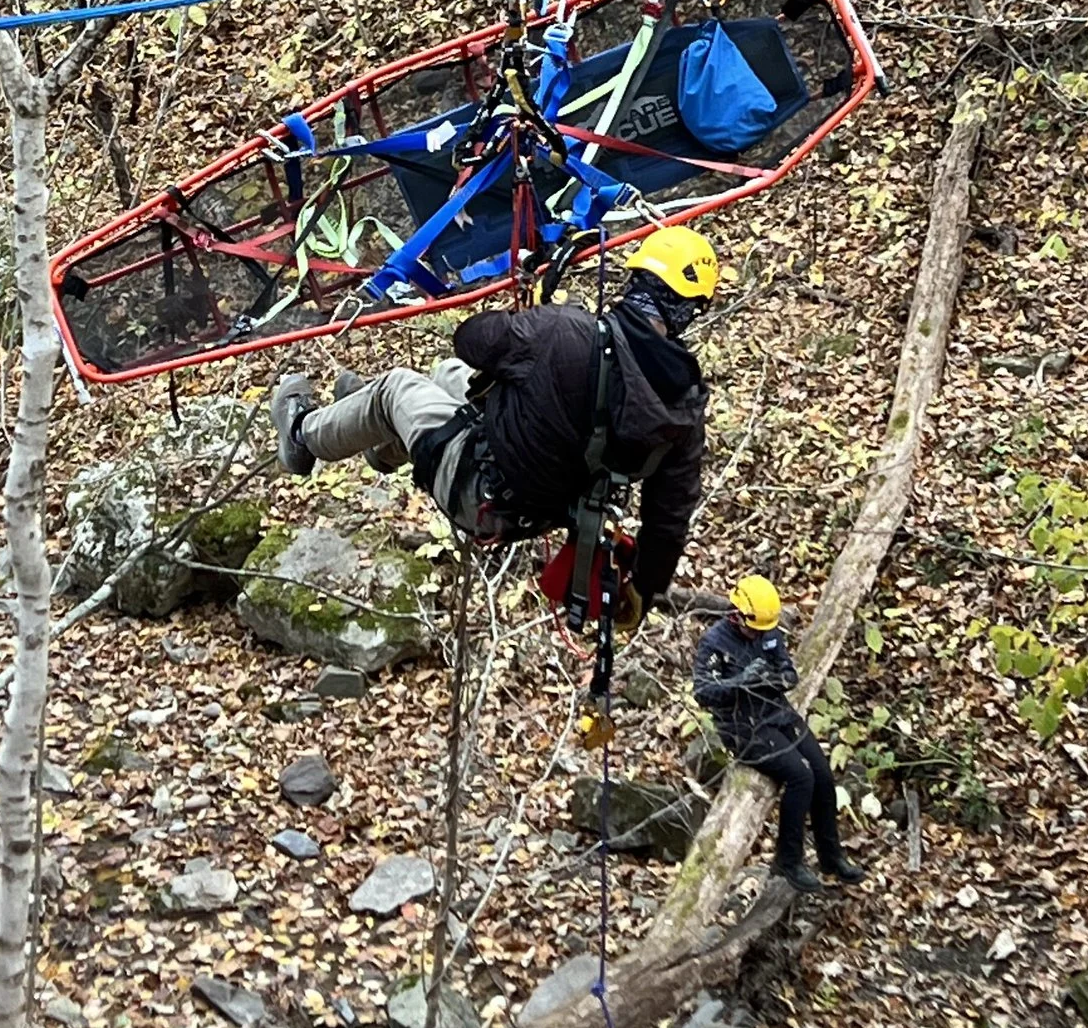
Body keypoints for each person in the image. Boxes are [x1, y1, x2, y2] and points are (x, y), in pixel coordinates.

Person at [271, 224, 717, 606]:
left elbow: (471, 339)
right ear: (686, 311)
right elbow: (669, 516)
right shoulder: (684, 405)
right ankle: (377, 439)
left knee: (396, 389)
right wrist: (643, 588)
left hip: (481, 488)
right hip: (538, 506)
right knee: (448, 375)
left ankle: (301, 436)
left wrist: (528, 317)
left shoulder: (565, 332)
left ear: (635, 282)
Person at [692, 574, 860, 893]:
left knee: (822, 774)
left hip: (776, 712)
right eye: (753, 628)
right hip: (742, 727)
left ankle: (830, 854)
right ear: (737, 615)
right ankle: (788, 859)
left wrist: (774, 677)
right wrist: (740, 681)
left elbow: (788, 672)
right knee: (801, 777)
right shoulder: (715, 642)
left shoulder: (767, 633)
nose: (758, 634)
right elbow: (703, 692)